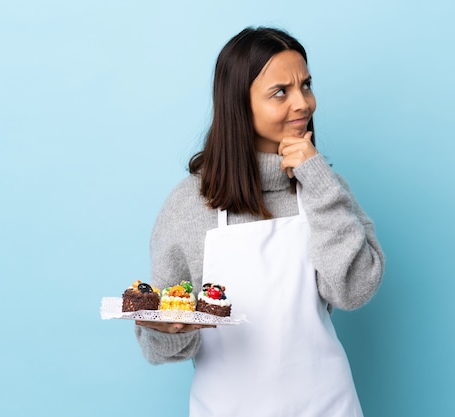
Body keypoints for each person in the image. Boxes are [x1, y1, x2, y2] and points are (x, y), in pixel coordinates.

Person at [134, 26, 384, 416]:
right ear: (239, 104)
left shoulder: (325, 187)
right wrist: (163, 329)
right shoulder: (190, 204)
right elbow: (161, 344)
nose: (303, 103)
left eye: (306, 85)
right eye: (280, 92)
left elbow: (353, 291)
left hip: (327, 405)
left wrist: (317, 182)